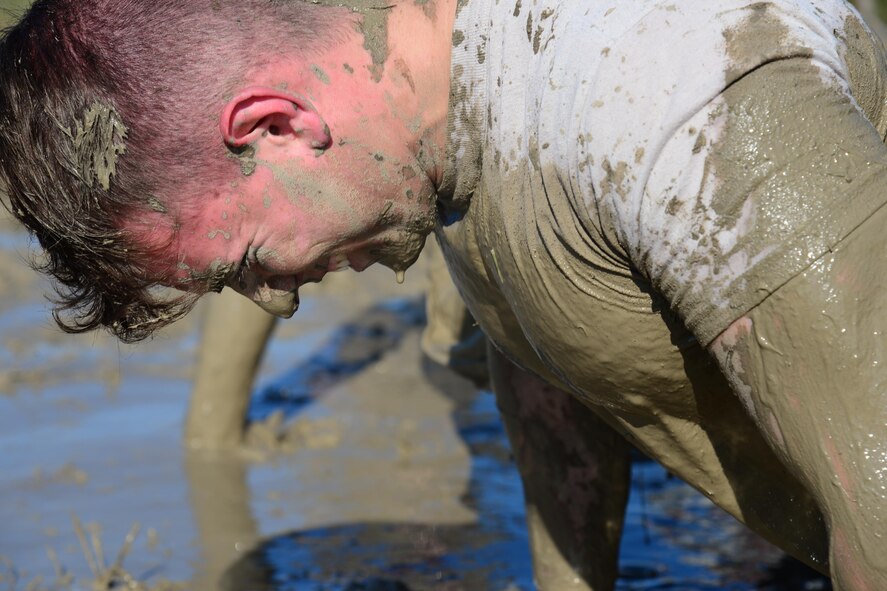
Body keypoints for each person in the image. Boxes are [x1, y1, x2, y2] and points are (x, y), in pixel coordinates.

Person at [1, 1, 886, 589]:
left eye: (248, 263)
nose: (274, 303)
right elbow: (553, 357)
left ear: (275, 124)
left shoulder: (684, 104)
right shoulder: (434, 131)